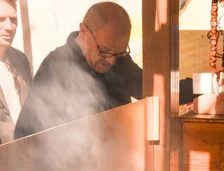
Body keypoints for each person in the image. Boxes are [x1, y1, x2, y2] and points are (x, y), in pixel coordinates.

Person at [14, 1, 142, 139]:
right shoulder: (55, 68)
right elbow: (25, 136)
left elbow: (152, 90)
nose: (112, 61)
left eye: (119, 53)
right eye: (104, 51)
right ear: (83, 31)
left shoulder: (120, 60)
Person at [0, 0, 31, 144]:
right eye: (1, 19)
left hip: (26, 153)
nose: (9, 27)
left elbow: (31, 107)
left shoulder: (21, 60)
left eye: (13, 20)